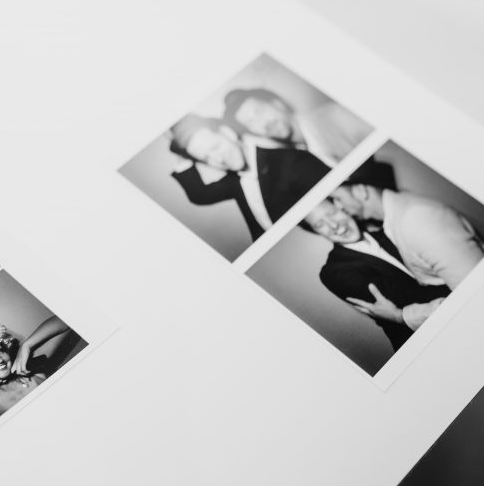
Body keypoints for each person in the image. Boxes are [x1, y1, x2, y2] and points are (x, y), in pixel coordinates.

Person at [302, 199, 450, 350]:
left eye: (332, 213)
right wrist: (457, 281)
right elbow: (406, 297)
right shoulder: (334, 273)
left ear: (343, 208)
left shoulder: (385, 229)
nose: (334, 225)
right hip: (421, 342)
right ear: (316, 232)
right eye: (319, 224)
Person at [168, 114, 330, 242]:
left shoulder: (291, 161)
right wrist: (183, 158)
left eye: (215, 147)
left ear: (228, 133)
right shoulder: (234, 180)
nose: (218, 160)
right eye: (206, 159)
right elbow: (201, 195)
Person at [222, 87, 372, 167]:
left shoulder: (336, 115)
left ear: (278, 103)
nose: (263, 124)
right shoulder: (297, 158)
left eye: (259, 111)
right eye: (250, 123)